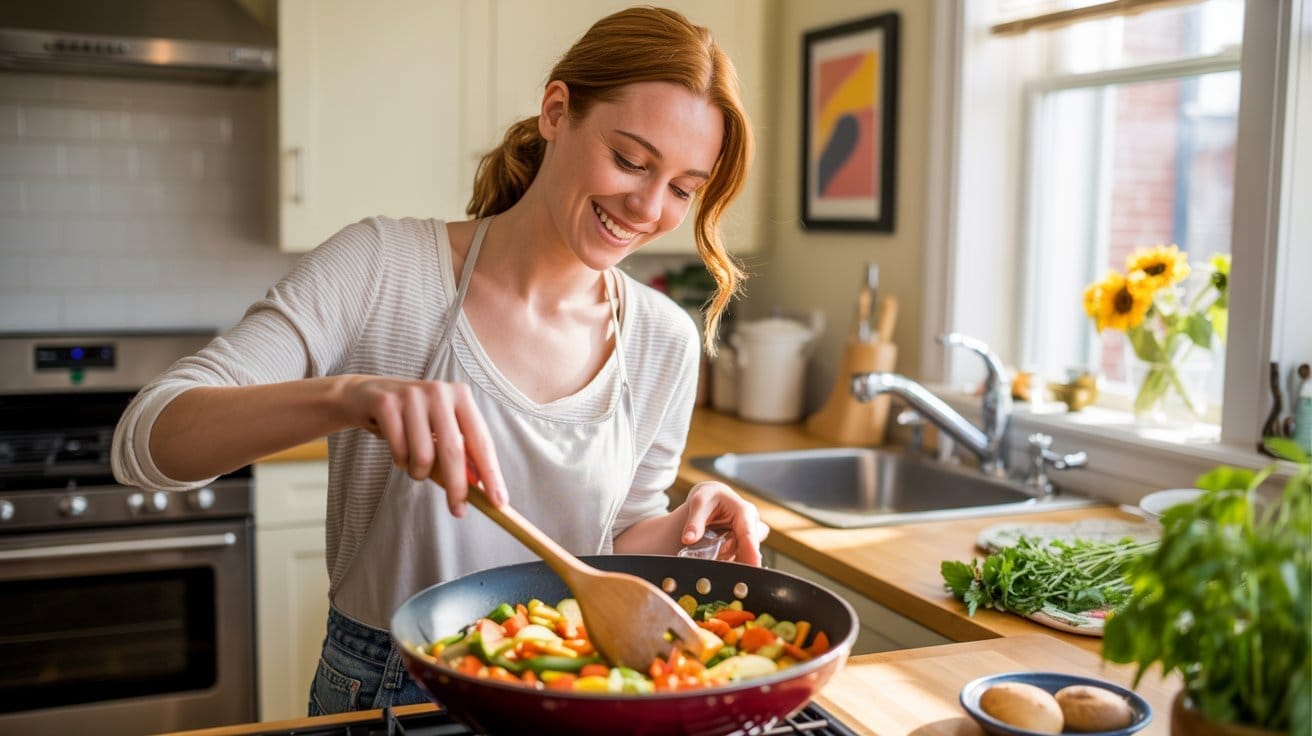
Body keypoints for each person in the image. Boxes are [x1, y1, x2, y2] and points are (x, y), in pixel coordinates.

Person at [111, 5, 764, 716]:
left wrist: (693, 531)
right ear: (556, 111)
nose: (647, 207)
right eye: (630, 160)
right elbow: (148, 441)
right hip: (388, 692)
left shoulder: (663, 338)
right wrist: (349, 398)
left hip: (572, 685)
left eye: (682, 189)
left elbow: (615, 539)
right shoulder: (383, 267)